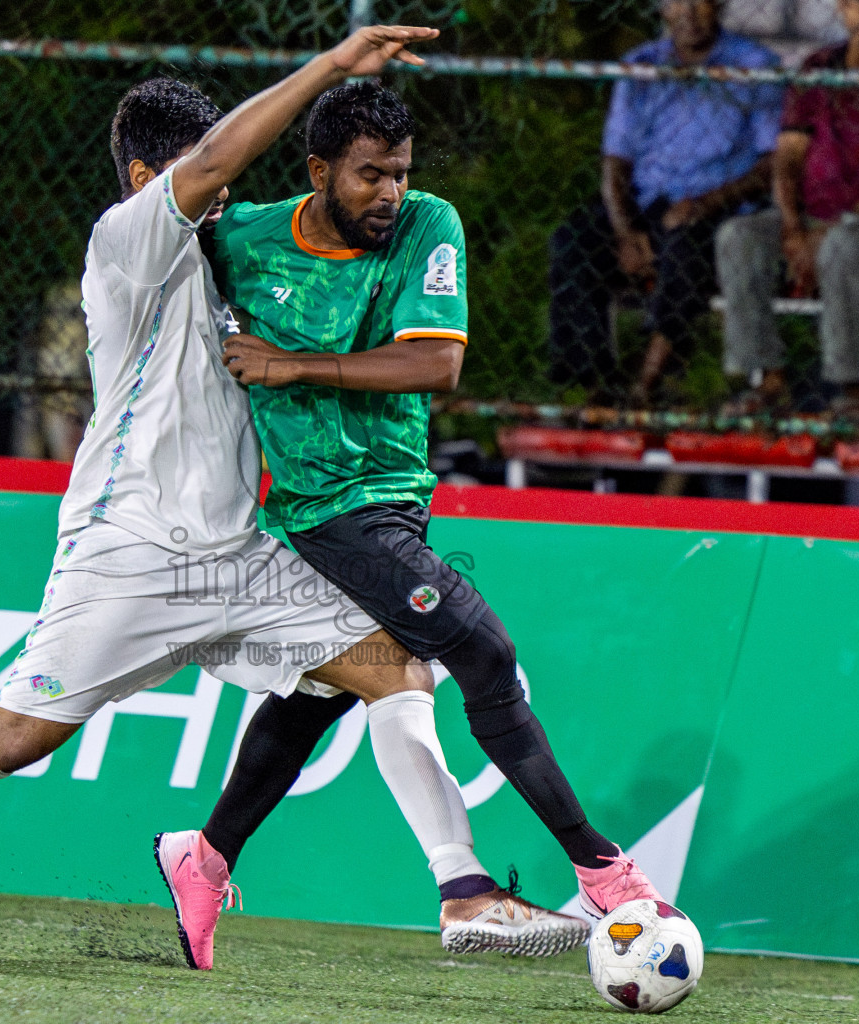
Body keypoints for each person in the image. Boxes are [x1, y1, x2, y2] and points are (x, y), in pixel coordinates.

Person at [0, 27, 586, 967]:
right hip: (131, 551)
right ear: (145, 171)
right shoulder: (129, 238)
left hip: (238, 552)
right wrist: (336, 67)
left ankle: (464, 893)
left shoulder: (229, 248)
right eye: (194, 165)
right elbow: (225, 156)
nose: (219, 183)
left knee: (398, 669)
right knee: (18, 735)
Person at [158, 79, 660, 970]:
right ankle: (599, 871)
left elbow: (434, 365)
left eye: (398, 172)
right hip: (324, 516)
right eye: (368, 176)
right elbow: (157, 249)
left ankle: (205, 855)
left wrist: (290, 366)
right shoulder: (243, 240)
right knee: (484, 654)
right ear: (318, 172)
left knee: (324, 691)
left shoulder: (429, 223)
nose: (389, 192)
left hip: (396, 500)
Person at [715, 0, 859, 419]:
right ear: (841, 7)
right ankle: (767, 379)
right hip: (812, 216)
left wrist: (834, 227)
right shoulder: (817, 68)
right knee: (739, 237)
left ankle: (851, 393)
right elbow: (787, 160)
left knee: (843, 245)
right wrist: (791, 228)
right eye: (856, 3)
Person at [547, 0, 781, 404]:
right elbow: (615, 160)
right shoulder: (641, 65)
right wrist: (625, 231)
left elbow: (772, 161)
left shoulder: (755, 64)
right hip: (648, 198)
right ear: (661, 8)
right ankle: (593, 387)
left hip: (717, 202)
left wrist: (706, 203)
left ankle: (647, 383)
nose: (688, 11)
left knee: (686, 247)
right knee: (572, 242)